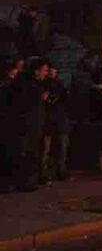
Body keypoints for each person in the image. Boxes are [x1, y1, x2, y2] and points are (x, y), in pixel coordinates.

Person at [11, 59, 50, 191]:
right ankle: (22, 182)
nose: (46, 73)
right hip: (26, 125)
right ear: (36, 71)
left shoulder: (38, 84)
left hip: (35, 124)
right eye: (44, 70)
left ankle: (29, 180)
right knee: (25, 153)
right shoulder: (25, 85)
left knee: (33, 153)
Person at [42, 65, 72, 181]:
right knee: (46, 148)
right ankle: (44, 172)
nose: (51, 73)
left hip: (59, 120)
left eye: (53, 71)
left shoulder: (60, 85)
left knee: (61, 147)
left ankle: (60, 170)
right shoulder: (43, 85)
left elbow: (65, 100)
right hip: (48, 120)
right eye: (49, 71)